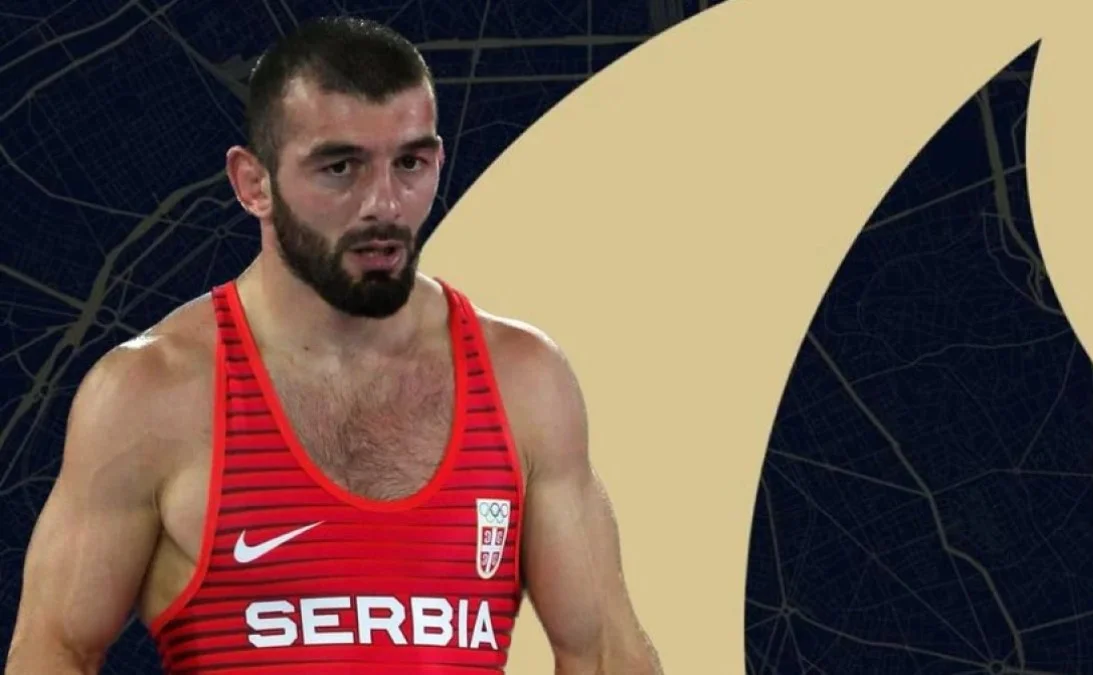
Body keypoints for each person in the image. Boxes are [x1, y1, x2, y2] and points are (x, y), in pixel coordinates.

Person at [6, 16, 661, 675]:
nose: (384, 204)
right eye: (340, 167)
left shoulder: (523, 381)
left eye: (410, 163)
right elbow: (54, 650)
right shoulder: (152, 394)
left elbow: (605, 655)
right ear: (253, 183)